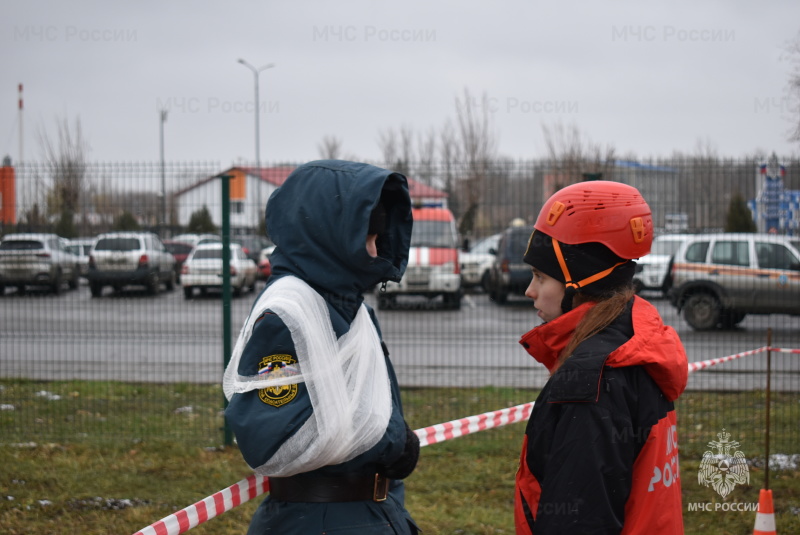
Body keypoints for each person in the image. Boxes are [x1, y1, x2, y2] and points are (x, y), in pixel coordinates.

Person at [223, 160, 420, 534]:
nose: (377, 252)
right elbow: (271, 440)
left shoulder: (351, 309)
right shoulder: (289, 315)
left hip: (372, 512)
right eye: (368, 238)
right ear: (331, 236)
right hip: (318, 520)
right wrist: (393, 443)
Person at [514, 181, 689, 534]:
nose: (529, 290)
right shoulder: (633, 342)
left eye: (540, 276)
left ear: (578, 285)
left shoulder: (591, 384)